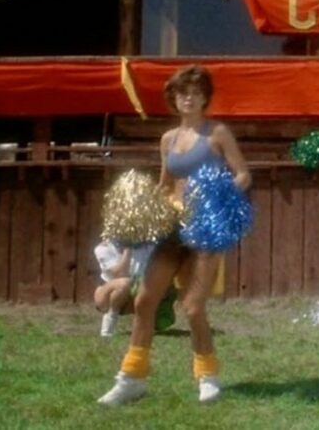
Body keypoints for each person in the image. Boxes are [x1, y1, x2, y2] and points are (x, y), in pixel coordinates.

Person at [98, 65, 250, 406]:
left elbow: (242, 175)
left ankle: (207, 376)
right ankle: (132, 378)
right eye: (183, 93)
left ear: (205, 98)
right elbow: (166, 184)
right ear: (174, 99)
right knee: (144, 301)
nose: (189, 99)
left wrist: (220, 198)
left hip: (206, 229)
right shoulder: (168, 139)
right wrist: (138, 211)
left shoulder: (218, 133)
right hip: (172, 228)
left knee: (193, 307)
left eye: (195, 93)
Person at [93, 240, 174, 337]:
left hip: (136, 291)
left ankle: (148, 321)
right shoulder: (104, 248)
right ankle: (109, 323)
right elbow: (119, 274)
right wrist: (128, 249)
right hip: (108, 296)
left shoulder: (149, 246)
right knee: (125, 283)